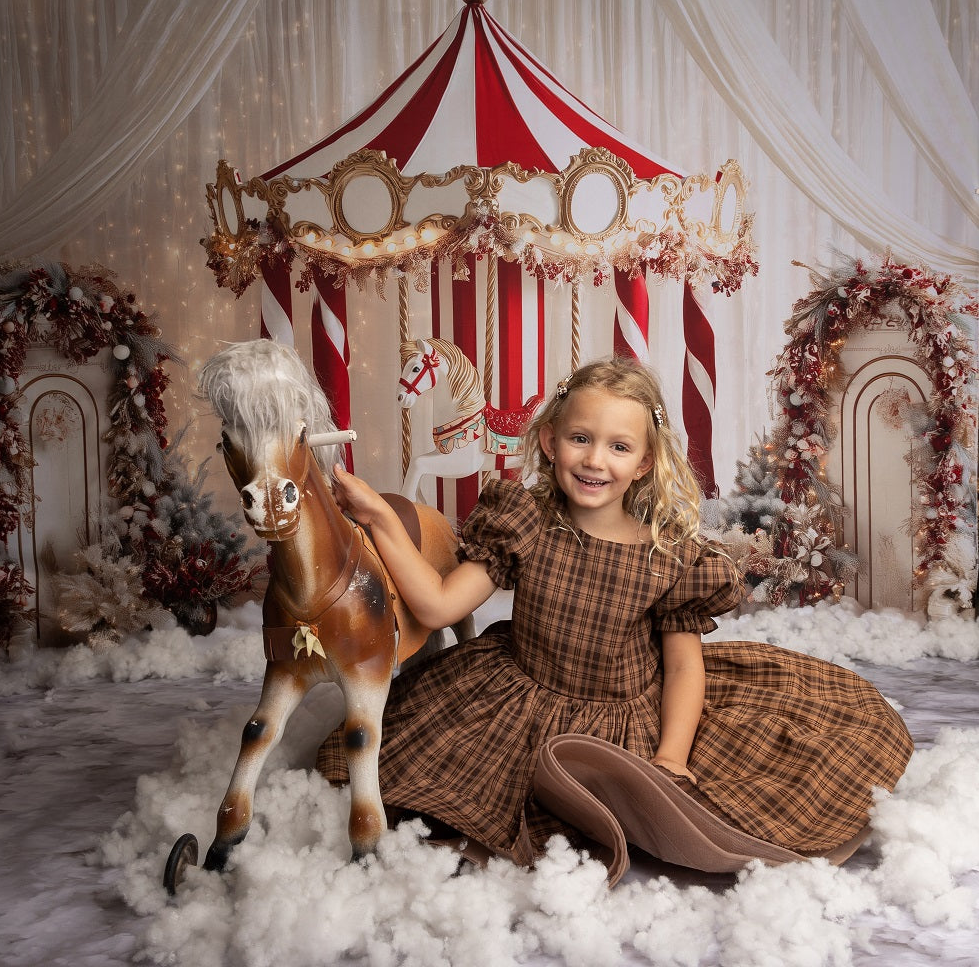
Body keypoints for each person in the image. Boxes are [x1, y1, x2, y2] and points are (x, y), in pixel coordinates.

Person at [318, 357, 913, 870]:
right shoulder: (525, 524)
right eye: (580, 438)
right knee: (415, 781)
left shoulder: (669, 558)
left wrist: (671, 759)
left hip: (622, 717)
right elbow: (437, 603)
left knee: (741, 793)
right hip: (519, 694)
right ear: (550, 441)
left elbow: (682, 670)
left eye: (618, 446)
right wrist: (379, 519)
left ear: (645, 462)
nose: (594, 460)